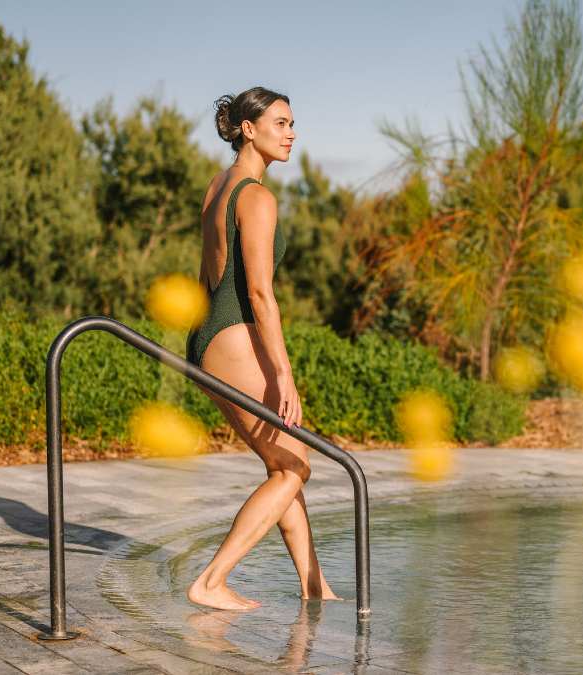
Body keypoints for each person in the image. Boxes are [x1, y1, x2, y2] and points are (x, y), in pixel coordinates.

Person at [184, 86, 338, 610]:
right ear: (248, 129)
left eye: (292, 123)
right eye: (280, 123)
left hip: (206, 333)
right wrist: (284, 374)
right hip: (233, 332)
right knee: (294, 468)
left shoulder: (217, 187)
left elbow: (209, 272)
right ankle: (211, 582)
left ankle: (314, 584)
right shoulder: (257, 196)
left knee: (285, 463)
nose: (292, 133)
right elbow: (259, 294)